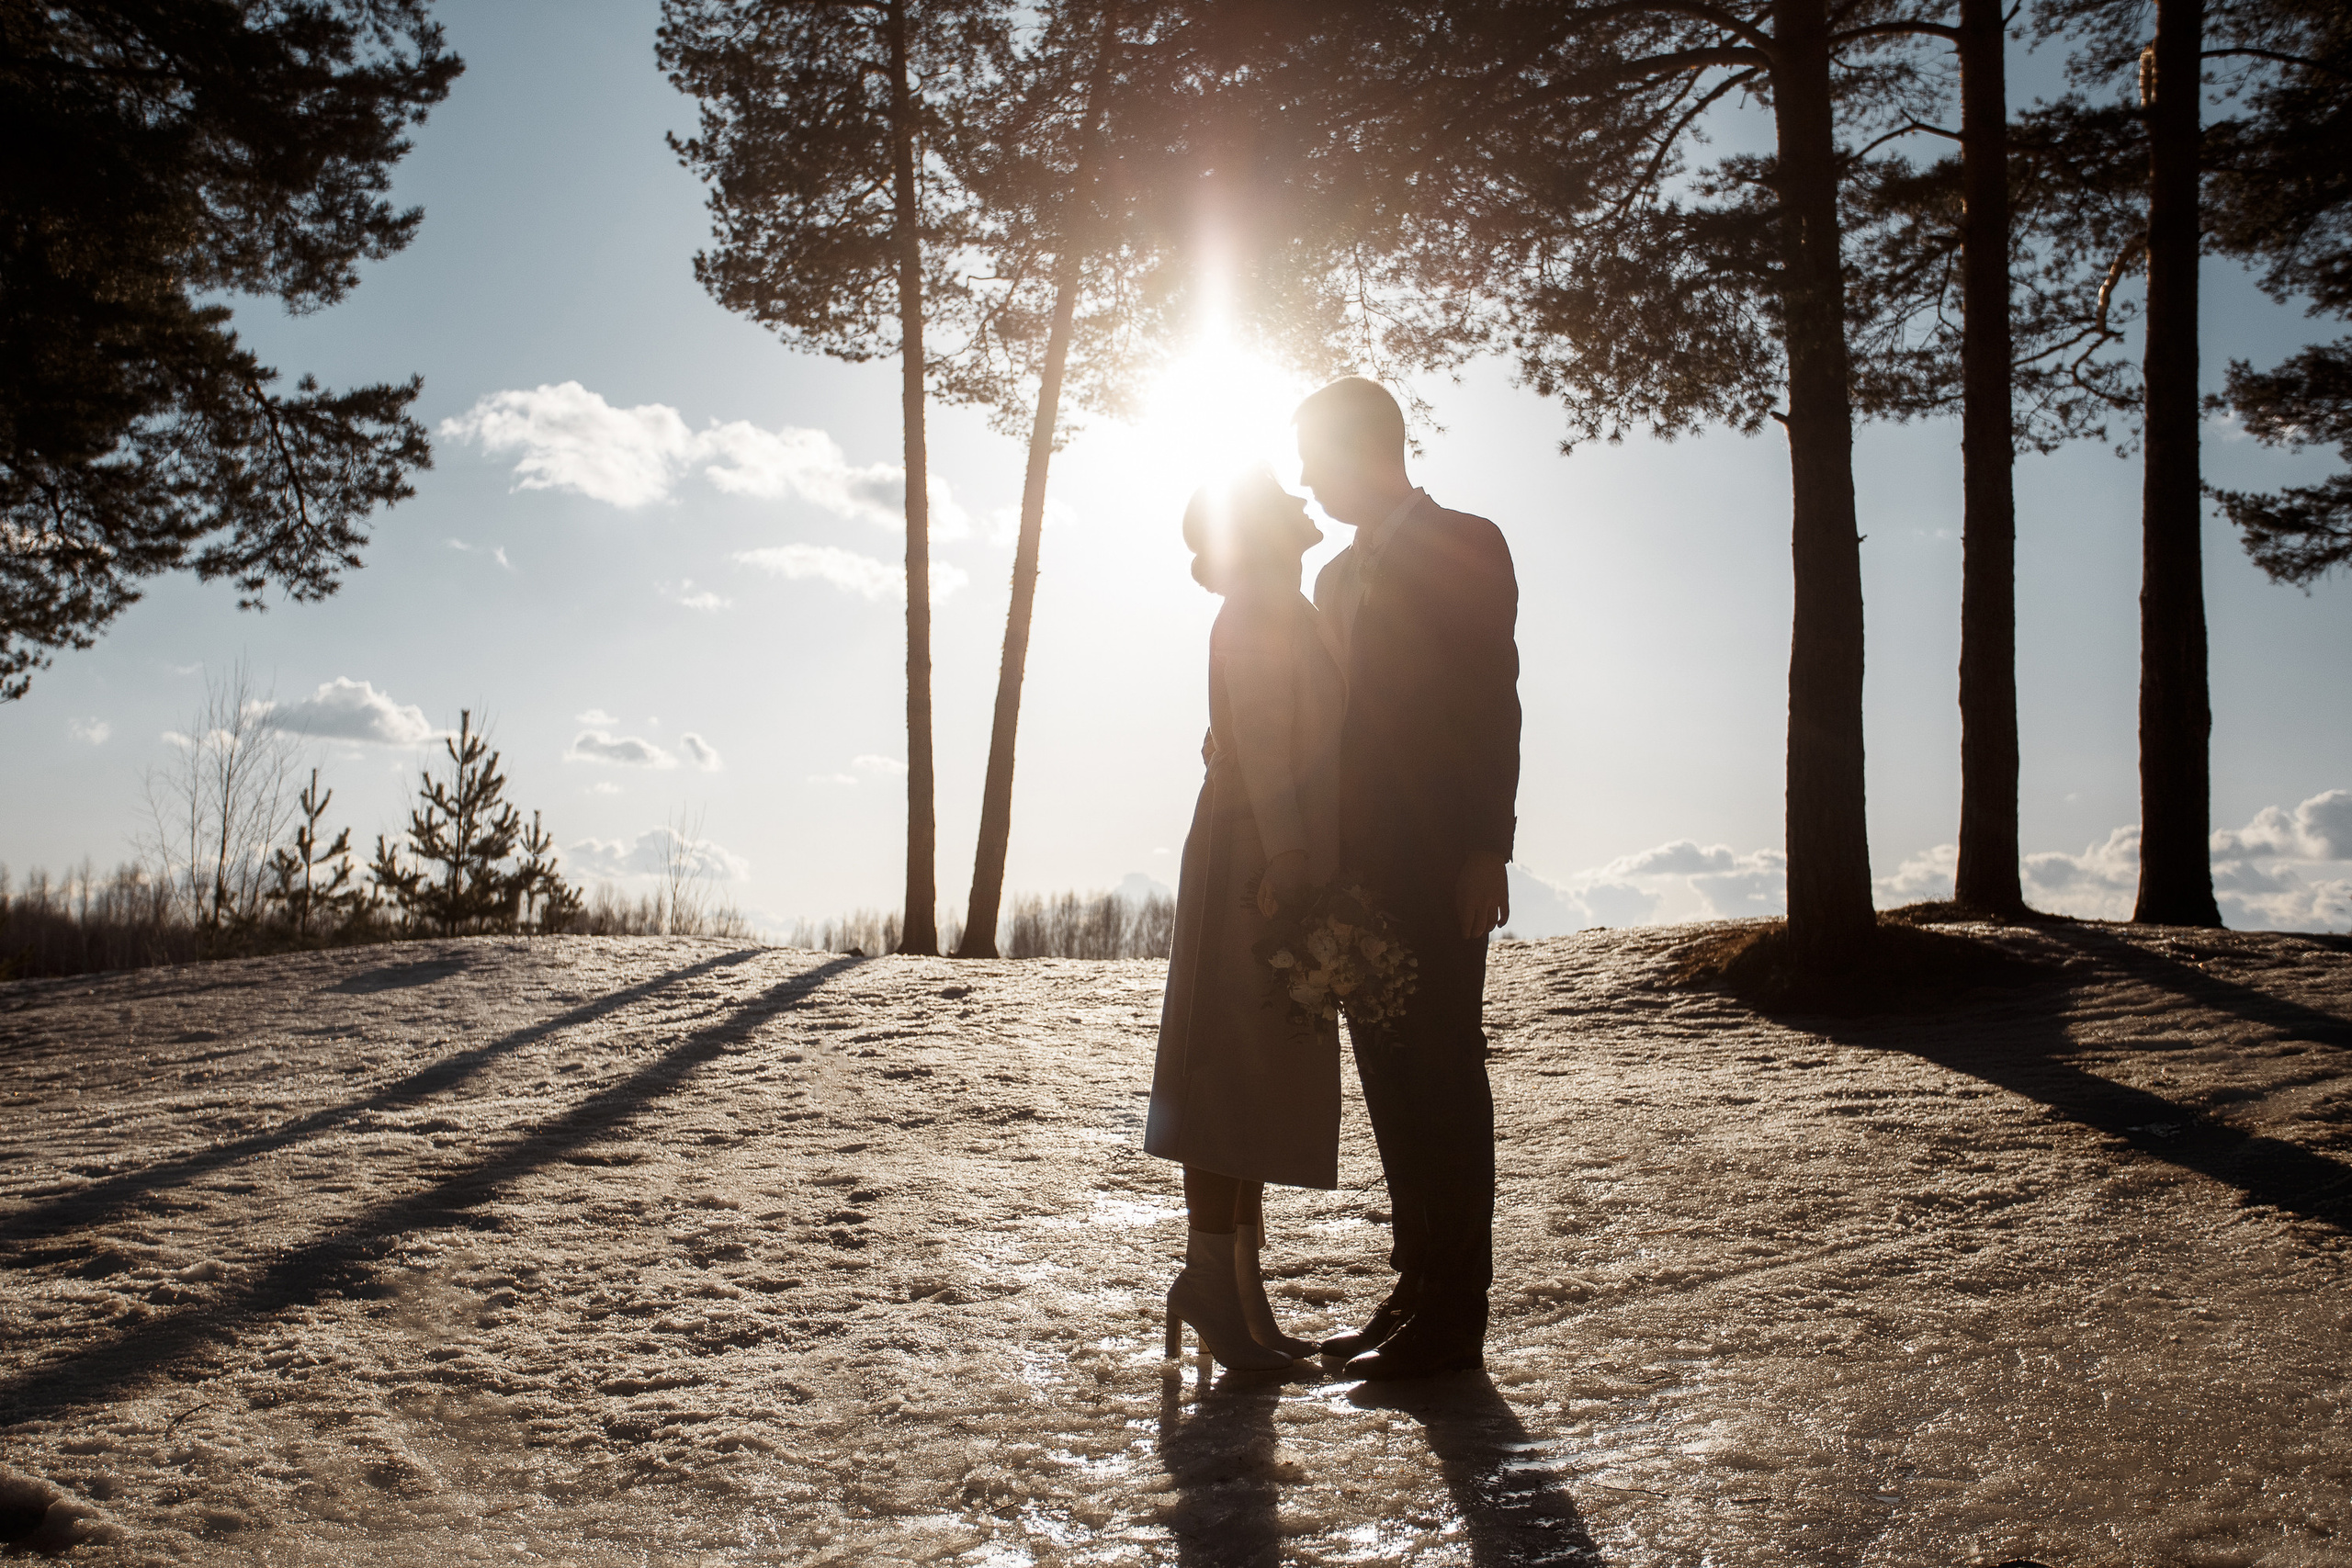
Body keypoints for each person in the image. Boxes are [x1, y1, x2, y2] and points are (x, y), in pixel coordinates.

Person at [1298, 377, 1521, 1382]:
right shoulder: (1332, 578)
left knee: (1441, 1072)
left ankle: (1455, 1313)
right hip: (1351, 869)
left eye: (1316, 456)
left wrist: (1485, 846)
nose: (1307, 478)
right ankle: (1413, 1285)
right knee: (1388, 1076)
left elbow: (1491, 703)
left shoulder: (1466, 542)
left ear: (1363, 449)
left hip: (1436, 859)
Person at [1146, 467, 1347, 1371]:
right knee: (1232, 1062)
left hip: (1259, 841)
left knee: (1255, 1067)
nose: (1303, 501)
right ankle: (1209, 1282)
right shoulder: (1265, 603)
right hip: (1254, 854)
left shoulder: (1276, 601)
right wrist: (1290, 854)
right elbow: (1265, 738)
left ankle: (1237, 1290)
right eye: (1282, 497)